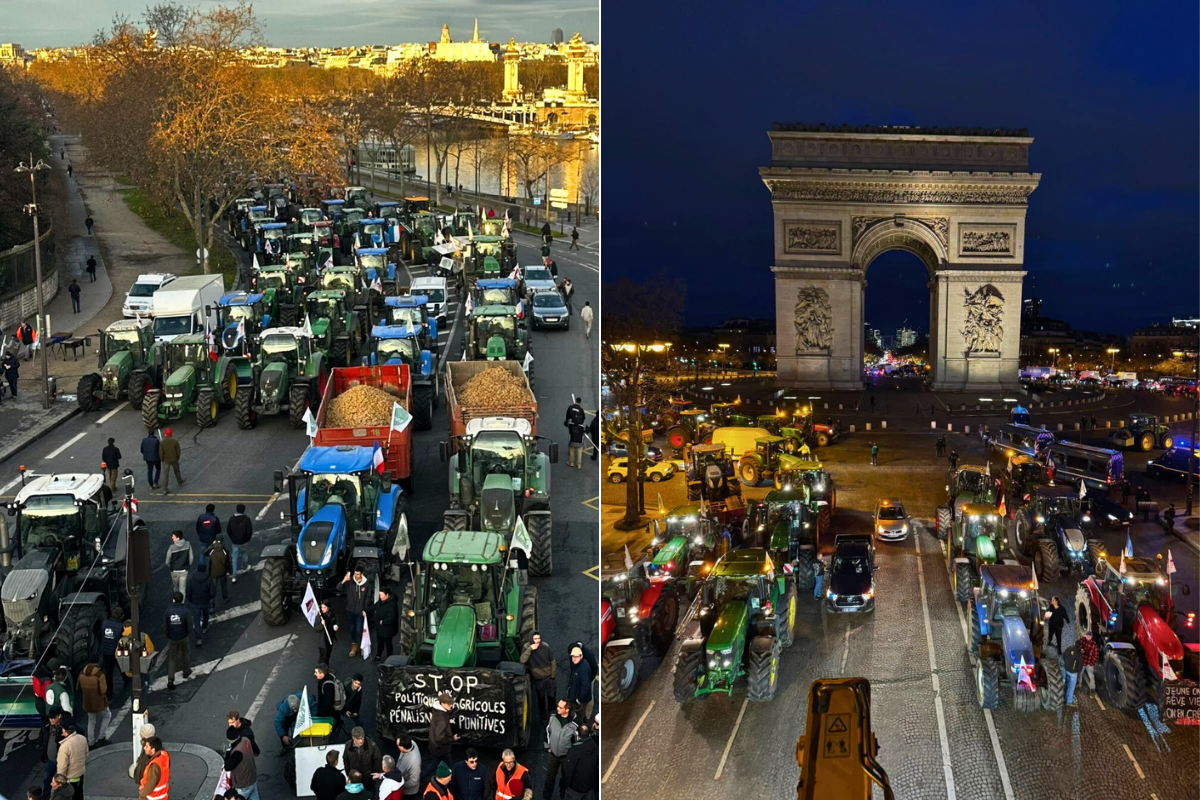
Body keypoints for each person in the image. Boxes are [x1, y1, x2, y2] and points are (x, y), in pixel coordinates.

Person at [543, 699, 577, 800]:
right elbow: (547, 731)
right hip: (552, 755)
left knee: (565, 780)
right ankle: (546, 797)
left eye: (560, 707)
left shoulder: (574, 725)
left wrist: (572, 755)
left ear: (567, 710)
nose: (557, 708)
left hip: (566, 758)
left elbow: (576, 742)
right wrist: (548, 747)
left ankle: (564, 797)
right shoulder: (553, 718)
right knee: (549, 779)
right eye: (558, 706)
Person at [519, 631, 556, 723]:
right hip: (538, 679)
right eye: (535, 639)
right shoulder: (526, 647)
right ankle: (543, 717)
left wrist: (552, 676)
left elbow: (553, 661)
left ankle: (553, 717)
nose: (537, 641)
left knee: (552, 698)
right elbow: (522, 660)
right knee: (541, 699)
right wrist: (530, 649)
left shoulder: (545, 646)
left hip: (549, 677)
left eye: (539, 638)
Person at [340, 567, 374, 657]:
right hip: (350, 610)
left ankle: (362, 646)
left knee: (359, 630)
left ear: (362, 574)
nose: (356, 576)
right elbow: (338, 588)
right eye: (355, 574)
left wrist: (365, 609)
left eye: (358, 574)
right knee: (352, 629)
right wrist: (344, 580)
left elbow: (368, 597)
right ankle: (354, 646)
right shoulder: (350, 582)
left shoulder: (367, 584)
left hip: (360, 611)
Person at [560, 723, 597, 800]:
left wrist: (564, 785)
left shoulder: (574, 751)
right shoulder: (595, 747)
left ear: (577, 734)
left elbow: (568, 772)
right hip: (588, 787)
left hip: (575, 789)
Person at [77, 663, 110, 748]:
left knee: (91, 721)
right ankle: (101, 737)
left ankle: (91, 742)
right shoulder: (99, 675)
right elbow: (103, 690)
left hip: (87, 702)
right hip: (99, 702)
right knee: (107, 715)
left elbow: (78, 688)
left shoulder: (81, 674)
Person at [427, 693, 458, 782]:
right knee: (447, 764)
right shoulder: (442, 720)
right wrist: (452, 739)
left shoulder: (436, 711)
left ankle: (423, 777)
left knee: (435, 763)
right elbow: (439, 738)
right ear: (442, 703)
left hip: (434, 746)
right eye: (449, 704)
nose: (451, 706)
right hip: (441, 749)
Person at [164, 593, 192, 689]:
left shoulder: (168, 611)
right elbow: (189, 624)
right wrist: (187, 633)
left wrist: (168, 635)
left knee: (172, 658)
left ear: (173, 600)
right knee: (185, 653)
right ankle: (186, 671)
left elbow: (165, 625)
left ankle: (170, 678)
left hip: (172, 638)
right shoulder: (185, 611)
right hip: (183, 636)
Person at [225, 722, 260, 800]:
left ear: (229, 739)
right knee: (254, 796)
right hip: (253, 776)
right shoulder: (246, 739)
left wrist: (228, 753)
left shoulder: (237, 752)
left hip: (243, 783)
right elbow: (257, 751)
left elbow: (227, 766)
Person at [343, 727, 383, 794]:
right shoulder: (348, 745)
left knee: (369, 793)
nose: (361, 741)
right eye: (358, 739)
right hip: (355, 778)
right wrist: (348, 773)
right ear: (353, 738)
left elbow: (378, 759)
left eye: (362, 738)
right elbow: (345, 759)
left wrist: (374, 773)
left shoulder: (371, 745)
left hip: (368, 778)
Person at [56, 718, 87, 800]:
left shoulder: (64, 746)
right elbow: (86, 754)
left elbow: (62, 767)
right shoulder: (82, 739)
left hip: (69, 778)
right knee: (79, 794)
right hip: (80, 774)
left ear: (65, 731)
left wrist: (59, 781)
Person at [185, 563, 215, 646]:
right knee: (206, 615)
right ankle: (205, 627)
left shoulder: (192, 579)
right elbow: (212, 592)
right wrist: (209, 599)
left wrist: (191, 600)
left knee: (196, 619)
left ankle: (198, 637)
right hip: (205, 602)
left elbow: (188, 592)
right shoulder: (208, 579)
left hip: (195, 603)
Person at [99, 606, 124, 701]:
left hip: (106, 652)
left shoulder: (104, 624)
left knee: (108, 674)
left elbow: (100, 637)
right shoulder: (121, 626)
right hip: (116, 652)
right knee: (122, 668)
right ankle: (127, 681)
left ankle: (109, 694)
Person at [227, 504, 253, 580]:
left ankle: (234, 574)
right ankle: (244, 567)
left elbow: (228, 530)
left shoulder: (232, 519)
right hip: (244, 541)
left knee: (234, 556)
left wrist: (232, 538)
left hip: (234, 541)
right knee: (244, 554)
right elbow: (249, 531)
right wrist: (247, 539)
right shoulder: (246, 519)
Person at [375, 586, 400, 662]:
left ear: (387, 595)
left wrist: (383, 622)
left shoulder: (392, 605)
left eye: (381, 595)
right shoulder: (381, 601)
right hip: (381, 628)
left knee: (388, 643)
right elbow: (374, 607)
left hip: (388, 629)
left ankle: (390, 658)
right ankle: (378, 655)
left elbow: (392, 618)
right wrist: (366, 610)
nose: (380, 597)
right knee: (380, 642)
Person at [567, 646, 592, 719]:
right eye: (573, 656)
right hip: (577, 696)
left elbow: (585, 685)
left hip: (580, 699)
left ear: (581, 656)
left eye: (576, 657)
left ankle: (581, 726)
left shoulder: (582, 668)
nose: (574, 658)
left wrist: (579, 699)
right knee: (580, 713)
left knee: (579, 715)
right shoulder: (581, 663)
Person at [395, 734, 422, 800]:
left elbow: (414, 781)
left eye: (398, 745)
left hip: (408, 792)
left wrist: (400, 785)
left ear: (402, 747)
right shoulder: (411, 743)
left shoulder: (414, 762)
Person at [166, 531, 192, 598]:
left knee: (175, 587)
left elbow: (167, 561)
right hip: (184, 570)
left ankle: (176, 600)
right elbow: (191, 557)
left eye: (173, 536)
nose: (172, 538)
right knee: (182, 588)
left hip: (174, 570)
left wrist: (171, 566)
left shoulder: (171, 547)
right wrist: (188, 565)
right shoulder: (188, 544)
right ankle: (182, 602)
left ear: (178, 538)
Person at [195, 503, 222, 568]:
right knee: (212, 553)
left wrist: (200, 534)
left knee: (202, 554)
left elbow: (197, 528)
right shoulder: (215, 518)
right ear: (213, 510)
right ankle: (211, 568)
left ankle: (202, 569)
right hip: (211, 539)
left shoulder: (201, 517)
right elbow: (218, 530)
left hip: (202, 538)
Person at [207, 537, 231, 603]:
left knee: (213, 588)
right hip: (222, 571)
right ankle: (225, 598)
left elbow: (205, 552)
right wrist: (229, 571)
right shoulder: (225, 550)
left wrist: (212, 545)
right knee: (223, 585)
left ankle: (212, 605)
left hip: (213, 572)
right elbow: (228, 563)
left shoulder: (212, 550)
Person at [159, 428, 183, 493]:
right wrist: (177, 458)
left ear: (165, 434)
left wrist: (162, 460)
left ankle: (165, 489)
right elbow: (178, 451)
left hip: (166, 460)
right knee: (177, 471)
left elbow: (161, 453)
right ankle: (179, 480)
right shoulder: (175, 441)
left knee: (165, 475)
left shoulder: (162, 443)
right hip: (174, 459)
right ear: (171, 434)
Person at [318, 600, 339, 665]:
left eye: (324, 607)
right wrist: (321, 624)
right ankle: (321, 670)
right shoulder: (320, 616)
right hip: (323, 641)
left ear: (328, 607)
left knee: (328, 654)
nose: (322, 609)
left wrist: (336, 626)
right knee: (323, 656)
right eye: (322, 607)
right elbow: (316, 628)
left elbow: (336, 621)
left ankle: (326, 668)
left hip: (330, 637)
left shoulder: (332, 613)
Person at [1062, 638, 1082, 707]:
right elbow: (1080, 666)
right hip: (1073, 673)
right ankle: (1069, 701)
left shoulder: (1068, 649)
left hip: (1066, 669)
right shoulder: (1079, 654)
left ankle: (1063, 697)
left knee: (1066, 683)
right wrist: (1077, 671)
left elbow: (1063, 657)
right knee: (1072, 686)